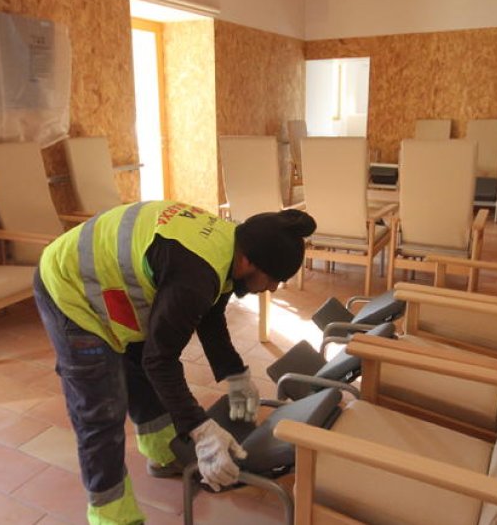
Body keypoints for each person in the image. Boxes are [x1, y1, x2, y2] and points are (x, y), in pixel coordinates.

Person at [34, 200, 316, 525]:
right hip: (69, 288)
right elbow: (162, 361)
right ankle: (112, 516)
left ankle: (161, 452)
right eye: (273, 278)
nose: (272, 288)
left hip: (109, 281)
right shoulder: (195, 274)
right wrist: (201, 431)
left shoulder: (229, 244)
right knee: (100, 407)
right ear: (249, 261)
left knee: (140, 364)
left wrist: (236, 375)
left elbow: (210, 318)